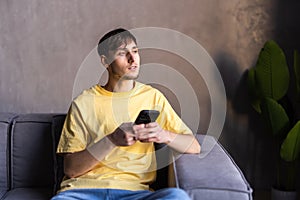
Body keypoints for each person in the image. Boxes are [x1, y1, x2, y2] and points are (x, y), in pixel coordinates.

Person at [51, 28, 201, 200]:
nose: (133, 58)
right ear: (105, 61)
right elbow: (71, 169)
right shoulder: (83, 103)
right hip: (82, 193)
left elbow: (194, 146)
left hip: (135, 194)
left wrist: (163, 134)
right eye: (123, 53)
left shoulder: (152, 97)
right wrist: (112, 139)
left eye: (135, 51)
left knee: (177, 197)